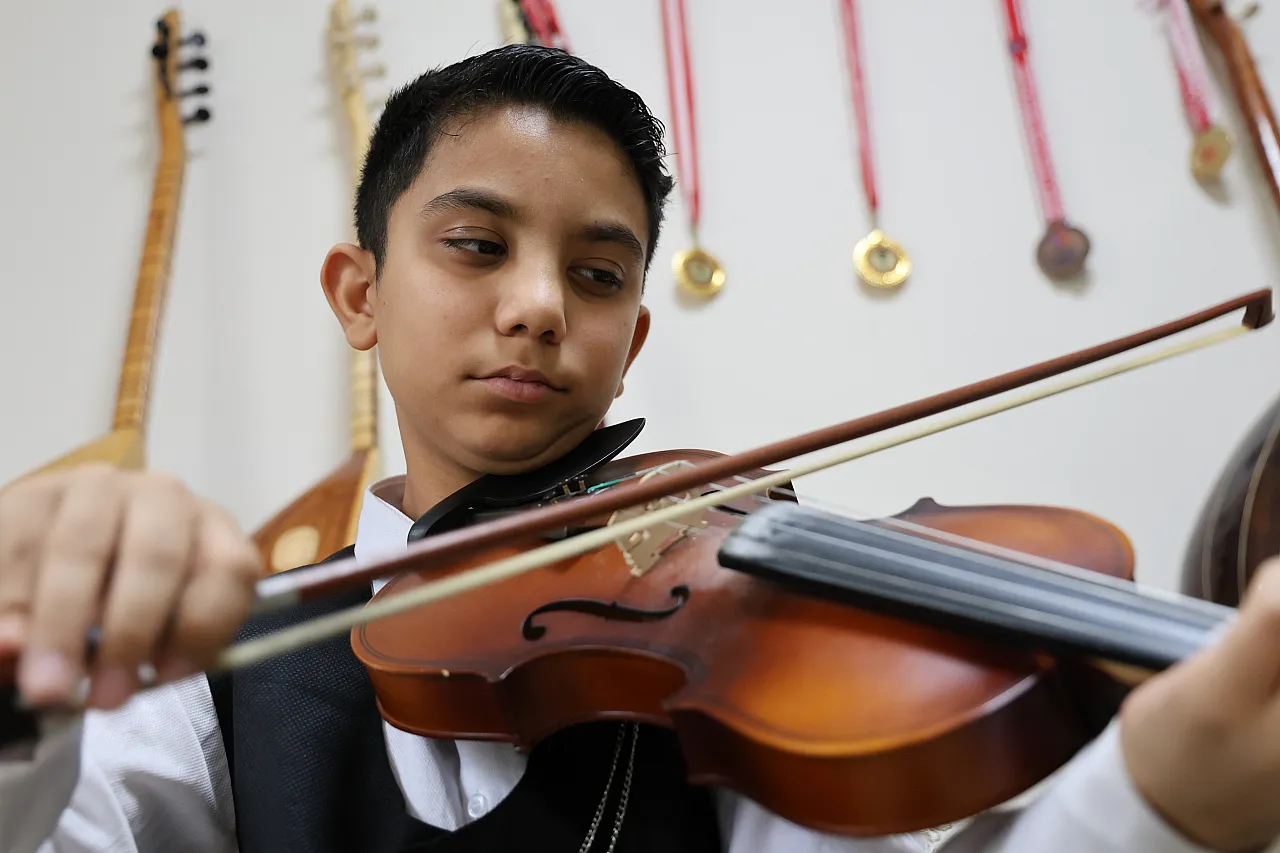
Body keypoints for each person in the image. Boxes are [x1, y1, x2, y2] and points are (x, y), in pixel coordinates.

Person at [0, 43, 1278, 853]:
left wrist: (1146, 807)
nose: (542, 305)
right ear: (358, 293)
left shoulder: (737, 658)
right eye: (477, 244)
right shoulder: (215, 671)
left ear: (631, 334)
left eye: (596, 272)